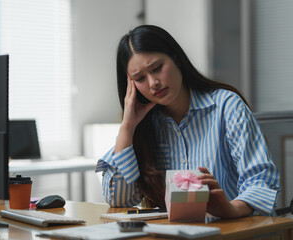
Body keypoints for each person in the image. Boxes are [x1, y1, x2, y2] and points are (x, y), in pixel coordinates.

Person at [95, 25, 281, 219]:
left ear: (177, 59)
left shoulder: (227, 106)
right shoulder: (146, 127)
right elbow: (119, 199)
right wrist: (128, 127)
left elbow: (261, 181)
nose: (153, 83)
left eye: (157, 68)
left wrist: (231, 209)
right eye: (140, 78)